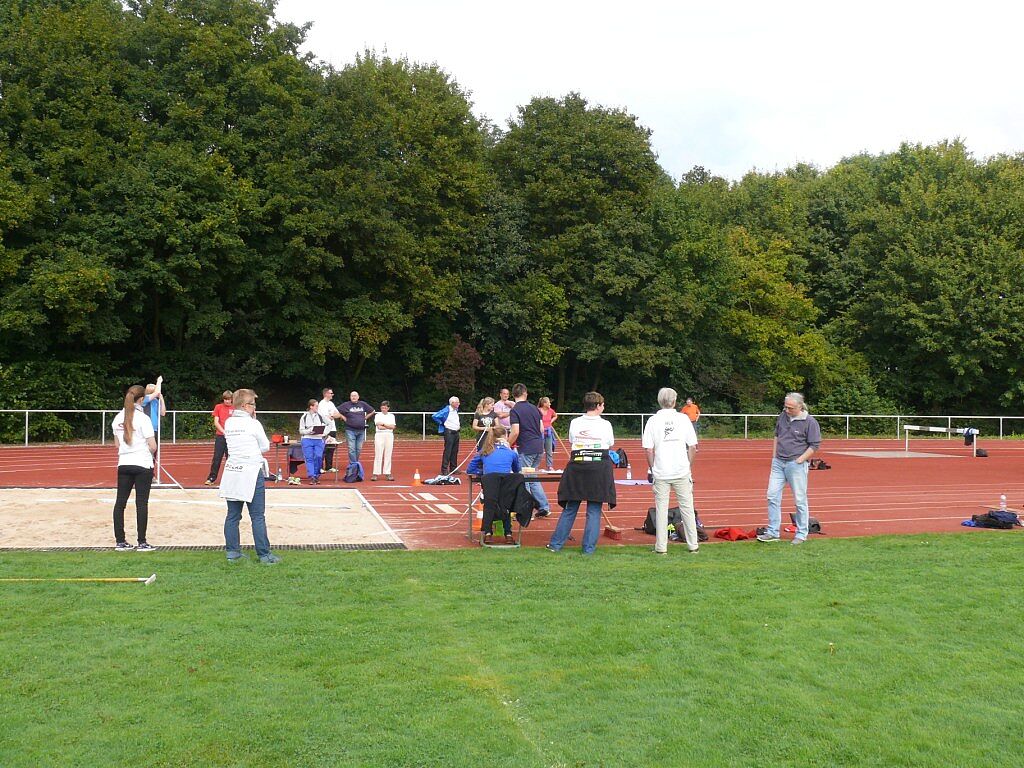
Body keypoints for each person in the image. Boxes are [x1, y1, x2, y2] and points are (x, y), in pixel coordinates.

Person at [548, 391, 616, 554]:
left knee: (570, 507)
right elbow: (610, 442)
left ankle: (556, 545)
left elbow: (572, 440)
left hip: (577, 467)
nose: (603, 407)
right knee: (594, 510)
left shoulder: (575, 422)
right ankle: (588, 549)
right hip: (598, 468)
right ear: (598, 406)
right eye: (602, 405)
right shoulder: (605, 424)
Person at [220, 389, 281, 564]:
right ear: (246, 406)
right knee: (257, 516)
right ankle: (264, 554)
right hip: (251, 471)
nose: (255, 407)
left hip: (233, 470)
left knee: (233, 515)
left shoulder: (229, 422)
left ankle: (233, 553)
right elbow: (265, 446)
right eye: (253, 404)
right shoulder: (254, 424)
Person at [757, 392, 822, 545]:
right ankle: (773, 532)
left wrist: (800, 460)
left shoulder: (810, 422)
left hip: (796, 465)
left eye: (790, 408)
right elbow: (777, 435)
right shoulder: (783, 416)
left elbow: (814, 445)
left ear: (800, 406)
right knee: (772, 496)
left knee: (800, 500)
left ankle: (801, 534)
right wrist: (774, 456)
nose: (787, 410)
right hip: (778, 463)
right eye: (785, 407)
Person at [642, 387, 700, 554]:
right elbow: (692, 446)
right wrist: (688, 465)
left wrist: (653, 468)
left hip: (661, 471)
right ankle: (693, 545)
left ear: (660, 401)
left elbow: (649, 449)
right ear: (674, 401)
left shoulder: (653, 421)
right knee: (687, 508)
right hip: (681, 470)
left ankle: (661, 547)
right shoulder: (683, 419)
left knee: (661, 510)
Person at [110, 384, 158, 551]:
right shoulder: (143, 419)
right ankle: (142, 541)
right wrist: (148, 450)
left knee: (120, 503)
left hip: (124, 463)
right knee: (141, 503)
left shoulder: (118, 418)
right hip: (142, 463)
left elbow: (117, 444)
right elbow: (153, 445)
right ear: (141, 399)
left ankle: (120, 541)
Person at [466, 425, 520, 544]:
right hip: (506, 485)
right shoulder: (511, 453)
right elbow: (517, 470)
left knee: (489, 506)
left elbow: (470, 469)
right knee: (505, 506)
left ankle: (488, 533)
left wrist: (483, 472)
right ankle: (508, 534)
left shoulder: (484, 451)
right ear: (505, 436)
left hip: (489, 484)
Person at [508, 383, 551, 516]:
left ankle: (525, 510)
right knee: (532, 477)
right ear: (525, 393)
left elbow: (515, 431)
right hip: (538, 446)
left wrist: (507, 444)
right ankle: (543, 506)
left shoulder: (515, 410)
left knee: (524, 479)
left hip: (526, 448)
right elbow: (541, 429)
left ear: (513, 395)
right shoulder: (534, 408)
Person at [338, 391, 375, 468]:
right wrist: (343, 417)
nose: (353, 397)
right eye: (352, 396)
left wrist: (365, 418)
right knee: (351, 448)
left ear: (358, 397)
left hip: (361, 430)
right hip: (350, 430)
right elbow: (336, 410)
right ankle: (354, 465)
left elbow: (372, 411)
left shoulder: (363, 404)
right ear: (350, 397)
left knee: (358, 449)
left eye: (355, 396)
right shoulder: (346, 405)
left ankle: (355, 463)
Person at [205, 390, 234, 485]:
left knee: (231, 458)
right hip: (220, 437)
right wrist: (223, 431)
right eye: (225, 399)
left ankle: (231, 479)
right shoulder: (218, 407)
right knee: (217, 457)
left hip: (232, 437)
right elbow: (216, 422)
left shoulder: (235, 408)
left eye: (229, 399)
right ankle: (212, 478)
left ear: (232, 399)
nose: (227, 401)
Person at [298, 398, 327, 485]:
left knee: (318, 456)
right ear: (311, 407)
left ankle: (316, 474)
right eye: (316, 406)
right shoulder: (304, 417)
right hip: (307, 439)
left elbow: (329, 425)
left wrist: (324, 433)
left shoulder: (321, 416)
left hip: (318, 439)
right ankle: (312, 476)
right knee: (309, 458)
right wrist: (308, 431)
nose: (318, 408)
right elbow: (301, 430)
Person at [431, 396, 461, 475]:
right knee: (448, 451)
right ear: (452, 403)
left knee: (455, 451)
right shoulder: (446, 410)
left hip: (456, 432)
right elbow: (435, 416)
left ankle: (453, 468)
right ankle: (444, 469)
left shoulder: (456, 410)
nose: (459, 404)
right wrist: (442, 423)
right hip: (449, 432)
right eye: (457, 402)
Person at [317, 388, 342, 473]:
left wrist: (332, 416)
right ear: (326, 394)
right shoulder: (321, 404)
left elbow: (338, 414)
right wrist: (331, 416)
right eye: (331, 393)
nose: (332, 395)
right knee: (323, 448)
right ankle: (320, 467)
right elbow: (324, 416)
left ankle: (329, 466)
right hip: (325, 429)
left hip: (333, 428)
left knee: (331, 448)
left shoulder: (331, 403)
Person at [371, 401, 396, 481]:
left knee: (388, 454)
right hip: (379, 435)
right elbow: (379, 427)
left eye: (385, 408)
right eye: (382, 408)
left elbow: (393, 427)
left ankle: (387, 473)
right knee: (378, 454)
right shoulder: (378, 415)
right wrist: (388, 426)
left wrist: (384, 424)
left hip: (389, 435)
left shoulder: (391, 416)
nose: (383, 409)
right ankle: (375, 473)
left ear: (388, 408)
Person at [538, 396, 559, 470]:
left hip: (548, 432)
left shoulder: (550, 411)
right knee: (539, 451)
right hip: (540, 433)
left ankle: (549, 466)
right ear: (544, 403)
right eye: (549, 402)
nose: (550, 404)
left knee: (549, 450)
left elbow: (555, 416)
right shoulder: (538, 410)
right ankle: (536, 466)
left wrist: (550, 421)